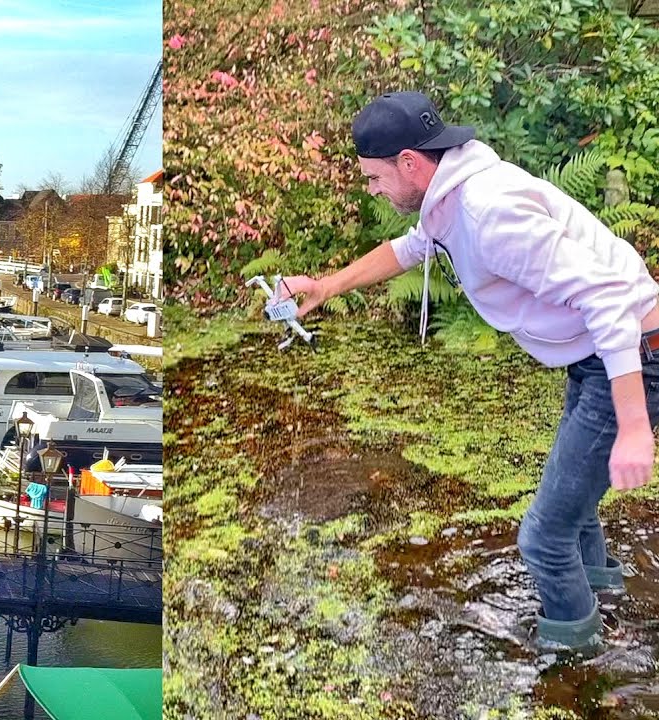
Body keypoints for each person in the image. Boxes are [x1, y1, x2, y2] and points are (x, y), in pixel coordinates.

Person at [278, 91, 659, 651]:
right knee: (572, 509)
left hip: (631, 352)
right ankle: (608, 602)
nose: (373, 190)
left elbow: (606, 301)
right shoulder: (449, 194)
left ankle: (579, 666)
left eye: (374, 178)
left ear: (410, 162)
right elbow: (411, 248)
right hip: (596, 358)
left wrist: (632, 426)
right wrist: (327, 286)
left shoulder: (488, 212)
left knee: (544, 537)